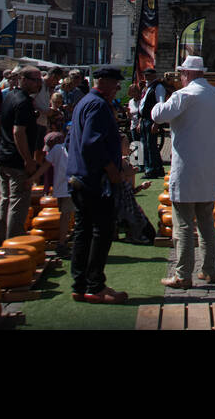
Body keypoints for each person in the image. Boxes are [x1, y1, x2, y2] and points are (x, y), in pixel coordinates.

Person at [152, 56, 215, 288]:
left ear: (186, 74)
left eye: (182, 73)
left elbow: (159, 115)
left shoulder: (184, 95)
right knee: (206, 223)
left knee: (183, 224)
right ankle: (210, 269)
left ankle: (183, 274)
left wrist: (160, 99)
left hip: (186, 168)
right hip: (210, 167)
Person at [67, 66, 131, 303]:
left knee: (83, 233)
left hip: (81, 177)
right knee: (100, 233)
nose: (117, 88)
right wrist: (112, 170)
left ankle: (80, 284)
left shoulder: (85, 102)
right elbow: (91, 143)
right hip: (94, 181)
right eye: (115, 83)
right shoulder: (98, 105)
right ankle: (95, 286)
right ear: (102, 81)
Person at [0, 66, 45, 240]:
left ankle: (4, 237)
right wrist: (28, 159)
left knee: (5, 200)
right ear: (23, 79)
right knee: (18, 203)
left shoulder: (10, 95)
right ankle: (13, 242)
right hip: (16, 159)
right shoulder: (23, 101)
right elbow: (18, 132)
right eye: (35, 80)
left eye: (40, 80)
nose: (38, 84)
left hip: (3, 156)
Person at [43, 131, 73, 255]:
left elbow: (45, 166)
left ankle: (62, 242)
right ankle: (62, 242)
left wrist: (33, 177)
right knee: (68, 216)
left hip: (63, 188)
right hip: (69, 187)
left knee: (65, 216)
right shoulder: (65, 149)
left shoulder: (56, 149)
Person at [134, 67, 167, 178]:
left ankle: (151, 169)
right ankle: (157, 168)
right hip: (144, 119)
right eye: (145, 75)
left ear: (153, 76)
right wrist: (139, 121)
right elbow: (142, 105)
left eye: (148, 75)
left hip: (151, 120)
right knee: (146, 145)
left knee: (150, 145)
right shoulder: (147, 88)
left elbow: (160, 104)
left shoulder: (158, 87)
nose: (145, 77)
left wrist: (156, 122)